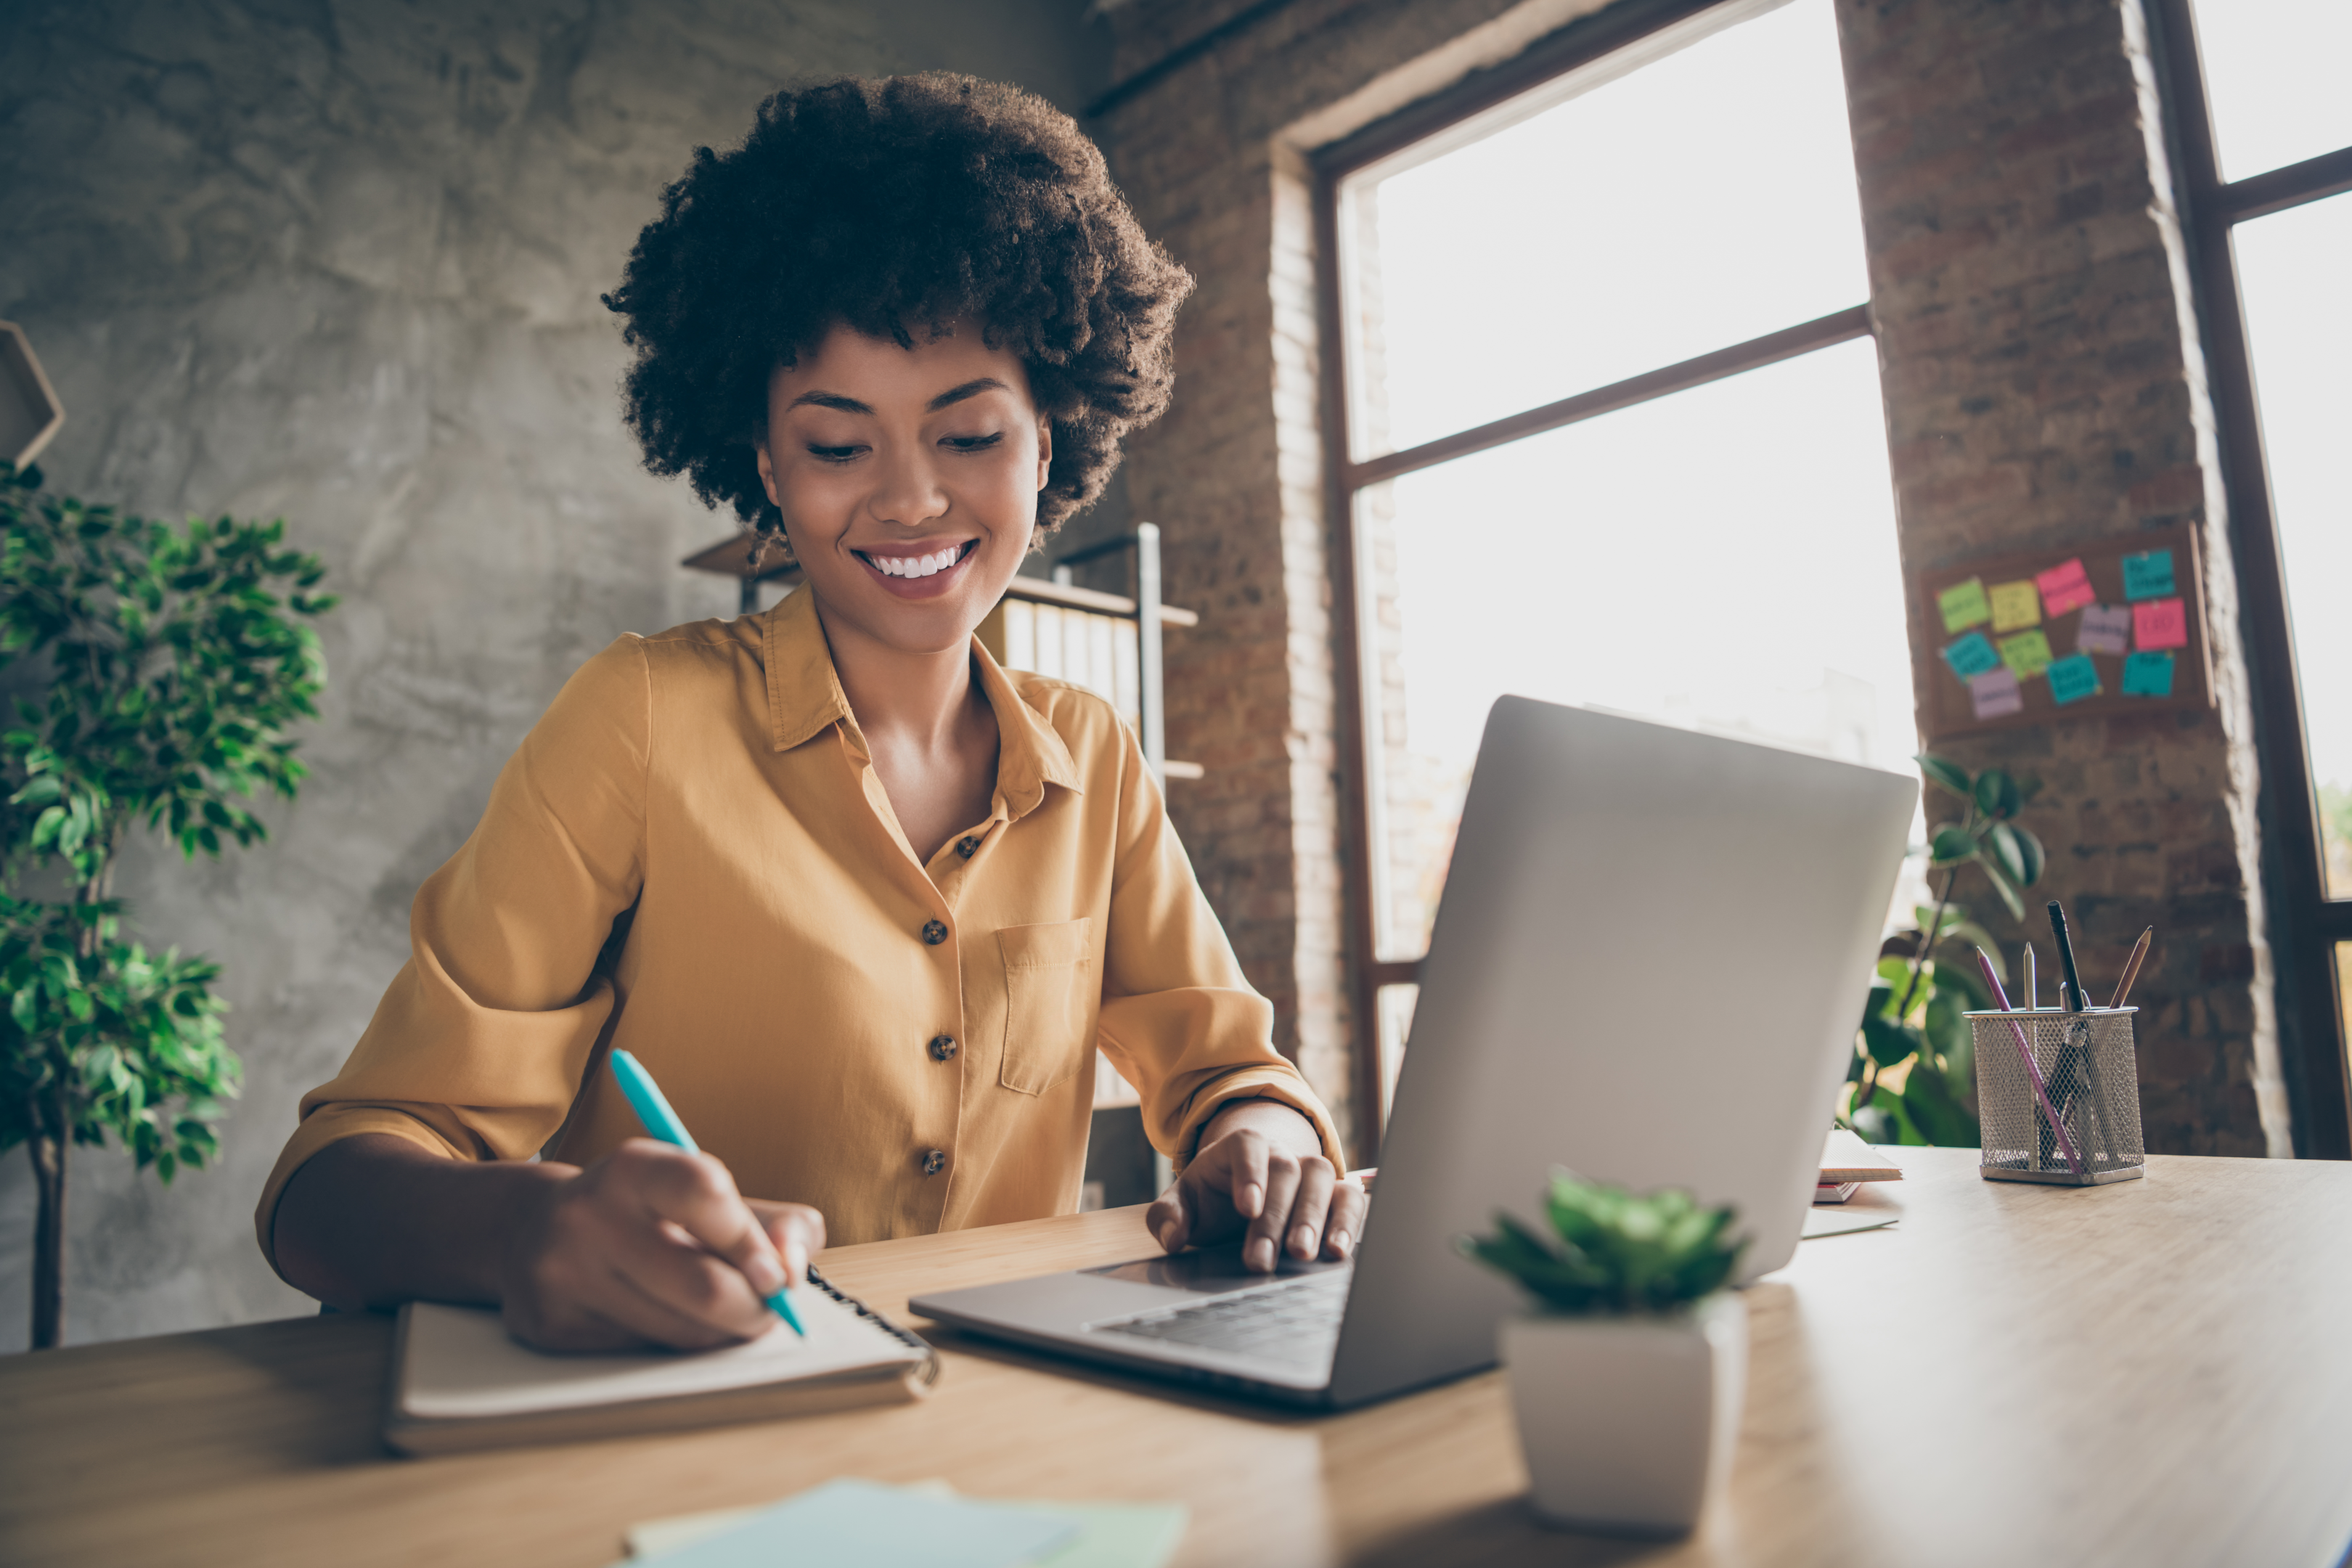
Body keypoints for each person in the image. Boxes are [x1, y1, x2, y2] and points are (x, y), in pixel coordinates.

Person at [259, 74, 1363, 1352]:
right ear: (768, 470)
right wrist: (527, 1232)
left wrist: (1262, 1141)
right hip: (675, 1438)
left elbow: (1228, 1071)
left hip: (1016, 1441)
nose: (909, 500)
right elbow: (328, 1192)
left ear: (1047, 448)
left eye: (970, 437)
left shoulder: (1094, 758)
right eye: (840, 447)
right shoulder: (643, 720)